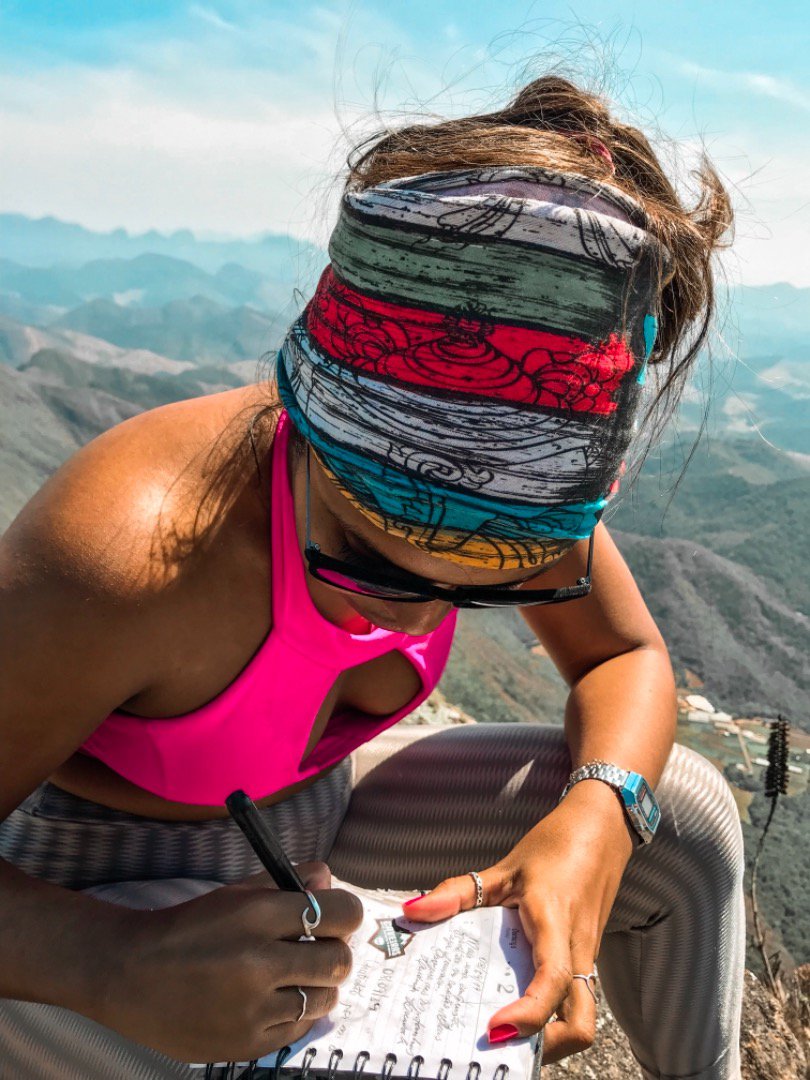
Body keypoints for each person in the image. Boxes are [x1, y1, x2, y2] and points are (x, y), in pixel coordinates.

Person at [0, 75, 745, 1080]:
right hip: (71, 890)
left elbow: (624, 656)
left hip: (317, 832)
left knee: (682, 816)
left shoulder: (504, 496)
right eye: (364, 553)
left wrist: (595, 822)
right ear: (311, 433)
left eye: (491, 583)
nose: (422, 613)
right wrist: (109, 964)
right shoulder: (131, 550)